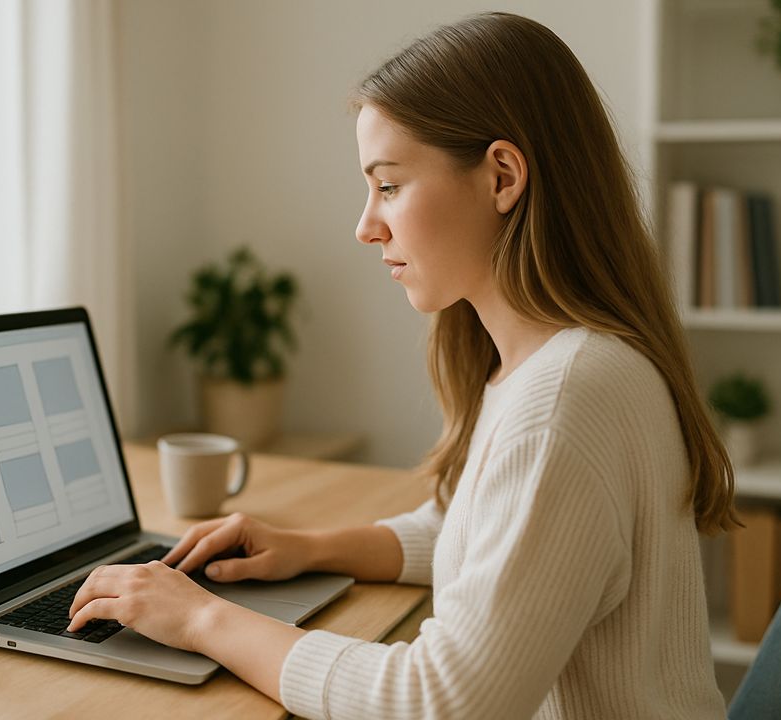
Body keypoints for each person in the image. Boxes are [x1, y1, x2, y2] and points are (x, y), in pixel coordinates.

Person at [67, 12, 735, 719]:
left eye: (388, 185)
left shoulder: (564, 399)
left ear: (503, 177)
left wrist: (204, 620)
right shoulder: (556, 364)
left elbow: (440, 702)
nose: (365, 225)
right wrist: (306, 546)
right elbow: (473, 534)